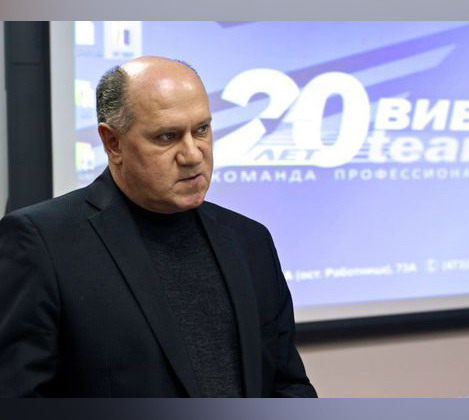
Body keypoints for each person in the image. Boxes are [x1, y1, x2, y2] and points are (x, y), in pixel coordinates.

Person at [0, 56, 317, 397]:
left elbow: (287, 383)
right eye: (167, 136)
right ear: (112, 143)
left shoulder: (250, 240)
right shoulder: (42, 242)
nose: (193, 155)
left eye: (202, 130)